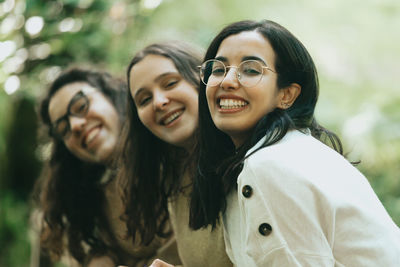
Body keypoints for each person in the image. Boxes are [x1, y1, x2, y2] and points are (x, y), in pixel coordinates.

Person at [189, 19, 400, 266]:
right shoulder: (285, 154)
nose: (227, 81)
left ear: (286, 95)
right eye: (218, 69)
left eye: (251, 70)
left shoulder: (269, 165)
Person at [33, 68, 180, 267]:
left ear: (111, 95)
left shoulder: (174, 150)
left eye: (81, 105)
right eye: (63, 129)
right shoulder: (94, 205)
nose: (75, 125)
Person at [118, 42, 232, 267]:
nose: (159, 102)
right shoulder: (175, 179)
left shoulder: (250, 161)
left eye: (170, 83)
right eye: (144, 100)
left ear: (203, 79)